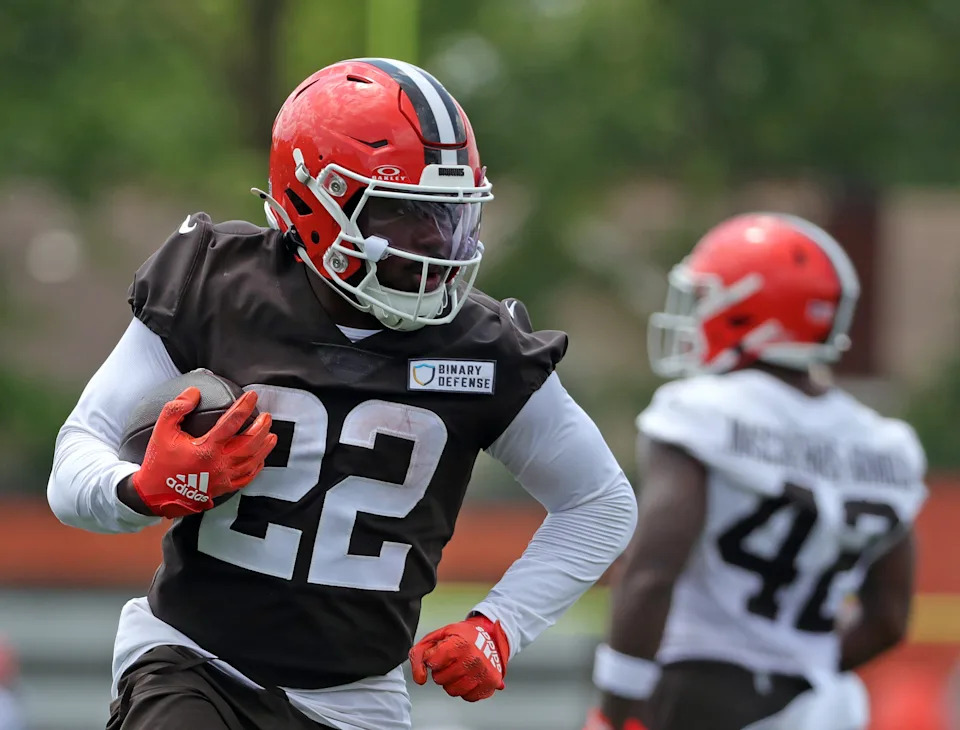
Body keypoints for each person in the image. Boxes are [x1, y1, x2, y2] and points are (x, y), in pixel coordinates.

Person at [46, 58, 637, 730]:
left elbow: (600, 503)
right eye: (402, 210)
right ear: (310, 202)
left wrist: (499, 627)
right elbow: (75, 461)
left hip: (357, 698)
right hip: (196, 661)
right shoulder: (214, 283)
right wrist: (144, 489)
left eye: (447, 211)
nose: (434, 240)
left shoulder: (482, 347)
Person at [584, 213, 927, 730]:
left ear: (749, 310)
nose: (694, 315)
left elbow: (652, 572)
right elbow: (887, 619)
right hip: (822, 706)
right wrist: (800, 667)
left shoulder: (702, 412)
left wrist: (613, 710)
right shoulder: (886, 444)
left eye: (705, 298)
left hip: (701, 695)